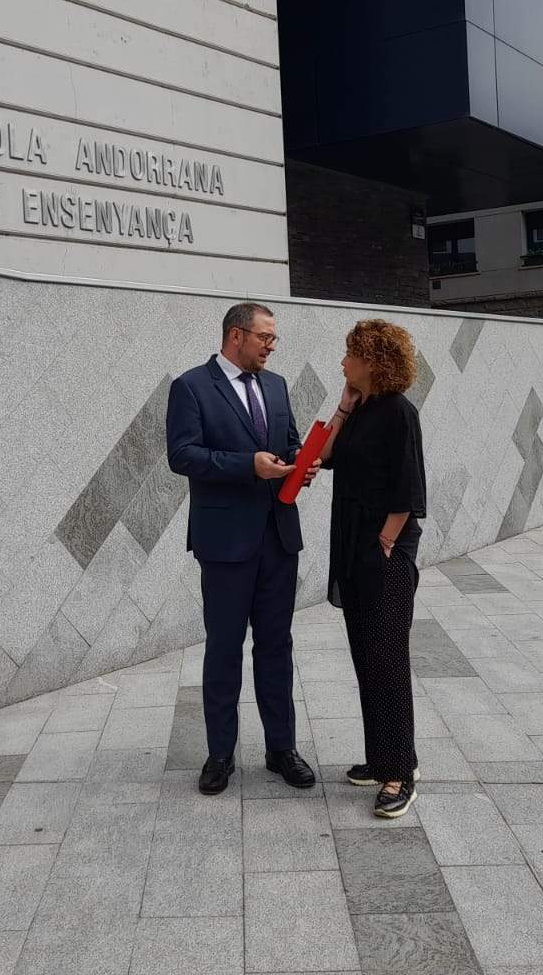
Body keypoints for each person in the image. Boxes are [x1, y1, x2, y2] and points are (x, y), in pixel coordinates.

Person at [167, 302, 317, 796]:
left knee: (277, 646)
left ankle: (282, 749)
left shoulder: (275, 385)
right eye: (265, 337)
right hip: (225, 543)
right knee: (224, 649)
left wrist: (300, 462)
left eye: (273, 338)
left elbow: (288, 441)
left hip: (279, 538)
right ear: (236, 336)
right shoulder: (191, 387)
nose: (272, 346)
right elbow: (182, 455)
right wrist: (247, 465)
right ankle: (220, 755)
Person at [314, 318, 427, 818]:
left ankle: (400, 774)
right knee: (366, 656)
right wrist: (342, 406)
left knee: (387, 661)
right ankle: (385, 757)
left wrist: (384, 541)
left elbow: (409, 487)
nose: (343, 362)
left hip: (385, 548)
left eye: (350, 355)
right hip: (353, 545)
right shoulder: (361, 409)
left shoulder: (400, 412)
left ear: (373, 361)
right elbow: (324, 456)